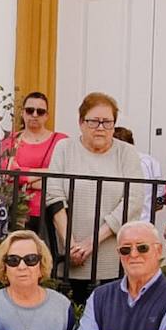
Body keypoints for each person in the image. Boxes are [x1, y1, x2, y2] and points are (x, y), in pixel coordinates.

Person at [44, 93, 144, 297]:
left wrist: (90, 244)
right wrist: (72, 246)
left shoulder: (127, 153)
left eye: (107, 122)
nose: (100, 127)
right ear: (81, 122)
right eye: (93, 121)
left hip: (112, 260)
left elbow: (133, 201)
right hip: (70, 257)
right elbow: (53, 196)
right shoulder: (64, 148)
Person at [0, 91, 68, 232]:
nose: (35, 115)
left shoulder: (61, 141)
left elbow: (65, 176)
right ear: (22, 113)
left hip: (51, 212)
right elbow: (8, 174)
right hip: (17, 211)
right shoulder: (11, 141)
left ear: (47, 116)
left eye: (40, 111)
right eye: (30, 110)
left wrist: (24, 176)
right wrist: (48, 174)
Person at [111, 127, 163, 223]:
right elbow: (160, 196)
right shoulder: (151, 161)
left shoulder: (147, 162)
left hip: (128, 224)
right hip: (143, 223)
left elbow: (160, 196)